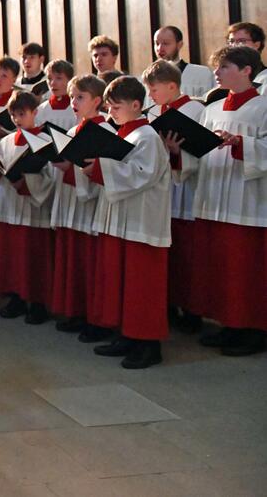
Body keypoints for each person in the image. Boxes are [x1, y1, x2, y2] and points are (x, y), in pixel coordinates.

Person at [83, 76, 171, 369]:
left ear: (136, 105)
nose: (111, 112)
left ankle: (148, 345)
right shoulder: (124, 135)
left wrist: (100, 167)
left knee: (141, 286)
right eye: (108, 106)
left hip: (141, 225)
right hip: (122, 221)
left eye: (116, 106)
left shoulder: (146, 136)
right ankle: (127, 335)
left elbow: (140, 175)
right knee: (122, 282)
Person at [191, 45, 267, 356]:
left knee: (246, 269)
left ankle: (254, 330)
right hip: (214, 195)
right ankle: (229, 325)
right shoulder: (211, 110)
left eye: (224, 67)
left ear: (246, 70)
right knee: (222, 268)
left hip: (247, 200)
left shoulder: (263, 107)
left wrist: (241, 143)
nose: (217, 73)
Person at [141, 61, 206, 336]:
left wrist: (178, 152)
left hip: (188, 191)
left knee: (190, 255)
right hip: (162, 193)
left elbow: (204, 150)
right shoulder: (153, 113)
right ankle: (168, 305)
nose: (151, 96)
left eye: (154, 90)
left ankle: (192, 312)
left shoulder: (196, 110)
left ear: (171, 86)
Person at [46, 75, 110, 338]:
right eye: (72, 97)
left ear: (97, 101)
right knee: (72, 262)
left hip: (89, 208)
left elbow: (103, 173)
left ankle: (94, 318)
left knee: (89, 264)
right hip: (70, 205)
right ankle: (76, 311)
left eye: (80, 97)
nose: (73, 101)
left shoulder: (106, 130)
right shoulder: (72, 131)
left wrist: (72, 170)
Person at [0, 91, 55, 325]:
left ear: (35, 113)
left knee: (34, 255)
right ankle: (16, 297)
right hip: (9, 205)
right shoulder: (5, 141)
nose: (17, 119)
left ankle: (37, 303)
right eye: (13, 114)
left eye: (22, 114)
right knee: (12, 254)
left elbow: (50, 176)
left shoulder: (45, 141)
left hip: (32, 207)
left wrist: (25, 182)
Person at [153, 26, 214, 98]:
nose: (159, 48)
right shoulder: (148, 78)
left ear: (179, 45)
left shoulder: (201, 73)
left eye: (166, 43)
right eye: (157, 43)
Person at [35, 60, 77, 133]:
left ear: (70, 80)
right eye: (49, 78)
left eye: (59, 78)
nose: (53, 83)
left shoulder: (78, 108)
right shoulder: (40, 110)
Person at [225, 21, 267, 93]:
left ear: (257, 45)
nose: (234, 45)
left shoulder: (264, 77)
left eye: (241, 41)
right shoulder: (223, 76)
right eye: (231, 41)